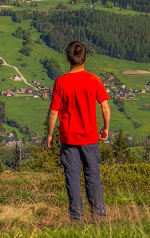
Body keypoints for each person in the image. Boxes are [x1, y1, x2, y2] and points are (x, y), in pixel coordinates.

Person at [46, 41, 111, 222]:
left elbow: (53, 112)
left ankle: (76, 218)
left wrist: (50, 134)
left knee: (72, 178)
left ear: (68, 59)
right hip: (89, 137)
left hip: (68, 137)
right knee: (93, 176)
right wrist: (105, 128)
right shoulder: (94, 80)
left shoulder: (61, 82)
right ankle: (99, 216)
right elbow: (105, 108)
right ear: (85, 58)